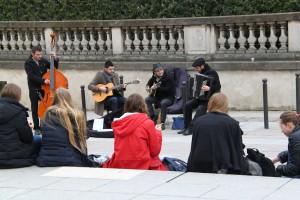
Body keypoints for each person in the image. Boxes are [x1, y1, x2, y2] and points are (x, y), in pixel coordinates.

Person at [187, 93, 249, 174]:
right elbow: (238, 148)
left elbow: (194, 146)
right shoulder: (232, 123)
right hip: (223, 165)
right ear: (225, 105)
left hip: (198, 163)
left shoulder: (198, 121)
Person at [103, 93, 167, 170]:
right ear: (143, 106)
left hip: (120, 164)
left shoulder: (119, 123)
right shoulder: (147, 123)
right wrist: (157, 132)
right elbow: (155, 152)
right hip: (142, 164)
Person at [36, 88, 88, 167]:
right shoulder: (77, 114)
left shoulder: (47, 113)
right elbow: (84, 136)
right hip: (71, 159)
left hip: (45, 160)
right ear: (69, 99)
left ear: (54, 99)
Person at [0, 83, 40, 168]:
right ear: (17, 96)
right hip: (14, 154)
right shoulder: (18, 112)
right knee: (38, 138)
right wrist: (28, 127)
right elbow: (27, 138)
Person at [178, 58, 221, 136]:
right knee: (187, 105)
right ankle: (186, 127)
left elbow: (218, 86)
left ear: (202, 66)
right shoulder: (200, 74)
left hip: (210, 98)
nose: (196, 69)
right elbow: (197, 86)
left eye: (197, 67)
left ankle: (191, 128)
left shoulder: (212, 73)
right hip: (200, 97)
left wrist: (209, 88)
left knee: (200, 109)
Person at [24, 46, 59, 135]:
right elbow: (31, 76)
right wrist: (43, 81)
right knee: (35, 109)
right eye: (38, 54)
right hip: (34, 88)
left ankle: (45, 125)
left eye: (40, 54)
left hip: (44, 89)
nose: (40, 56)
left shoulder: (43, 60)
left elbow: (54, 67)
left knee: (46, 107)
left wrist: (54, 57)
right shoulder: (28, 63)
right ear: (32, 54)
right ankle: (36, 128)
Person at [145, 63, 175, 130]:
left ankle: (162, 122)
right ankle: (152, 118)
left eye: (161, 69)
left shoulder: (168, 77)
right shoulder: (153, 77)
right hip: (157, 98)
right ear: (154, 72)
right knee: (147, 99)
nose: (160, 72)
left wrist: (157, 88)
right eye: (158, 71)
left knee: (163, 103)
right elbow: (148, 84)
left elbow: (169, 89)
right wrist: (148, 88)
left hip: (168, 97)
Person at [272, 111, 300, 177]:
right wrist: (278, 158)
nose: (281, 131)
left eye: (281, 127)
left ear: (289, 125)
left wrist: (277, 168)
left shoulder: (295, 137)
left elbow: (293, 170)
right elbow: (296, 152)